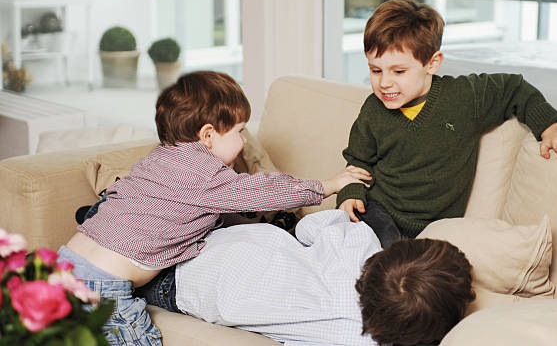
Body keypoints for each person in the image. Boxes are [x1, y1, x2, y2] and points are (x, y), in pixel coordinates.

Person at [57, 71, 371, 346]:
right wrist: (324, 186)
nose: (244, 142)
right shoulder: (205, 175)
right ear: (208, 135)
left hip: (68, 259)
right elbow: (261, 191)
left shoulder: (161, 157)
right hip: (102, 285)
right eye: (239, 132)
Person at [337, 0, 557, 248]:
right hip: (379, 210)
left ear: (432, 63)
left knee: (422, 268)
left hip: (434, 227)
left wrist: (549, 127)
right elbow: (359, 161)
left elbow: (515, 88)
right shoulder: (373, 109)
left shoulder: (465, 96)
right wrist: (350, 193)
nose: (384, 83)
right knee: (379, 248)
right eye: (376, 70)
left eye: (399, 71)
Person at [149, 209, 475, 346]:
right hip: (185, 290)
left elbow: (309, 226)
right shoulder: (354, 340)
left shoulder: (359, 243)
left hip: (220, 240)